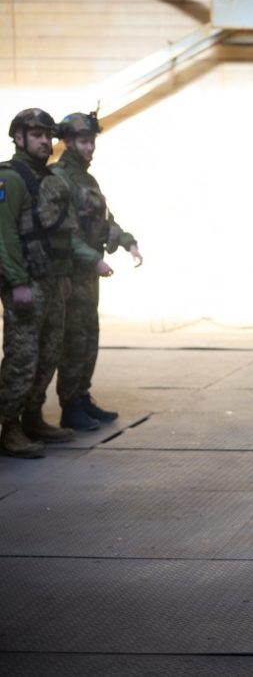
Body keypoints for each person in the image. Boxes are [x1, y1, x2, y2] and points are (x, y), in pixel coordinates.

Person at [51, 111, 143, 431]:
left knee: (89, 337)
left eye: (91, 141)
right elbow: (63, 232)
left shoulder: (88, 180)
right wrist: (93, 258)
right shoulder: (58, 178)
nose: (89, 147)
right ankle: (70, 405)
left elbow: (104, 222)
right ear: (68, 142)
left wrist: (127, 241)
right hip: (70, 275)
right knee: (73, 339)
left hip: (88, 277)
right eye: (83, 141)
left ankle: (82, 396)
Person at [0, 108, 77, 458]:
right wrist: (17, 282)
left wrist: (62, 278)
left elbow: (54, 235)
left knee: (48, 354)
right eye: (36, 134)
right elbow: (4, 237)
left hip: (50, 281)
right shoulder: (11, 177)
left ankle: (32, 417)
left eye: (48, 134)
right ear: (18, 138)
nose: (45, 140)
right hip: (25, 283)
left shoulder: (46, 177)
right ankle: (9, 426)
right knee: (22, 358)